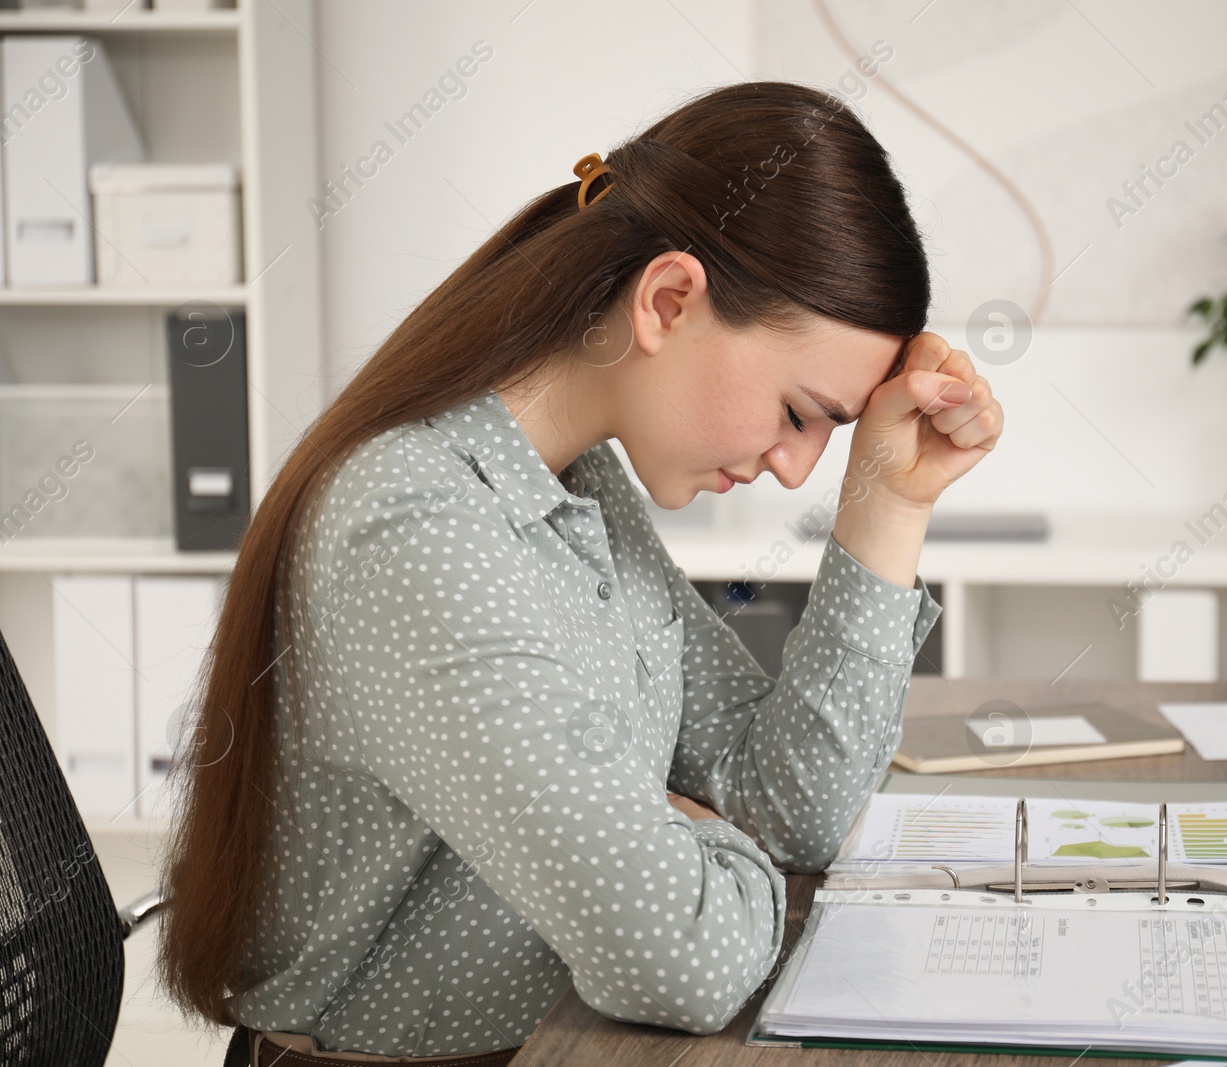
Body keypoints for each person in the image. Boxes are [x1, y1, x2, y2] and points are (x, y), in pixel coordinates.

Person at [157, 80, 1004, 1064]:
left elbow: (792, 805)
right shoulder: (414, 526)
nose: (796, 465)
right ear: (669, 300)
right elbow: (683, 957)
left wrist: (889, 502)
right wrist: (686, 834)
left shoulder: (578, 483)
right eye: (797, 411)